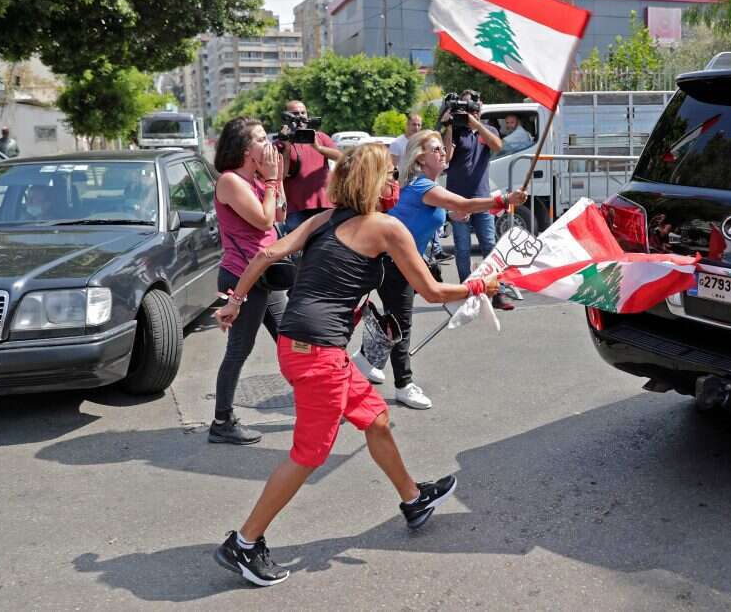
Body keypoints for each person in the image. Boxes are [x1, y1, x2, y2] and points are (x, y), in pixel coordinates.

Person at [211, 142, 500, 587]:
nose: (395, 184)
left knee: (376, 418)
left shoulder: (325, 218)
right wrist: (481, 285)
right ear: (371, 181)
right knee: (309, 454)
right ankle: (245, 543)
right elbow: (433, 293)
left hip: (299, 343)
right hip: (319, 354)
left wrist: (234, 302)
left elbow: (268, 254)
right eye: (389, 176)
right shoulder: (385, 227)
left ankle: (413, 499)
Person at [352, 130, 526, 409]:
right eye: (436, 149)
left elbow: (452, 210)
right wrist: (503, 200)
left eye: (443, 149)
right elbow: (463, 203)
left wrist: (458, 213)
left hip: (397, 260)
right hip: (392, 262)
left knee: (394, 318)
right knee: (402, 324)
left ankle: (365, 359)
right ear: (420, 158)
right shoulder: (423, 186)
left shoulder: (428, 187)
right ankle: (403, 385)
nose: (443, 152)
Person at [210, 117, 288, 446]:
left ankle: (323, 403)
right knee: (239, 350)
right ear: (245, 150)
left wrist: (277, 179)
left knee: (292, 338)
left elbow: (280, 215)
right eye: (260, 139)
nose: (267, 143)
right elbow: (263, 219)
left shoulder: (256, 180)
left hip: (265, 273)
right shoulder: (230, 182)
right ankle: (222, 421)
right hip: (243, 276)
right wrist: (270, 181)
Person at [441, 90, 515, 310]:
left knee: (490, 246)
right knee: (462, 249)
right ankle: (467, 292)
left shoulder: (487, 130)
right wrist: (449, 126)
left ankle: (497, 293)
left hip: (482, 199)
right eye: (466, 107)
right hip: (458, 200)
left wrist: (476, 123)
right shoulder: (456, 132)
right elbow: (446, 157)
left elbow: (497, 146)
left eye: (474, 107)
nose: (471, 110)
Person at [390, 113, 453, 264]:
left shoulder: (428, 181)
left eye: (419, 124)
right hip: (396, 261)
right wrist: (503, 200)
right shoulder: (420, 183)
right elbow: (393, 167)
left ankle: (435, 251)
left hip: (408, 257)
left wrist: (451, 214)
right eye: (414, 124)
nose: (417, 127)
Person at [279, 100, 340, 232]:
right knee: (296, 251)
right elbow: (281, 176)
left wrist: (318, 148)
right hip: (296, 209)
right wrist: (287, 147)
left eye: (303, 113)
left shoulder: (320, 137)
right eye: (295, 114)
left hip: (324, 204)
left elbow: (341, 157)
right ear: (286, 117)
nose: (300, 117)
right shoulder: (281, 142)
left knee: (324, 248)